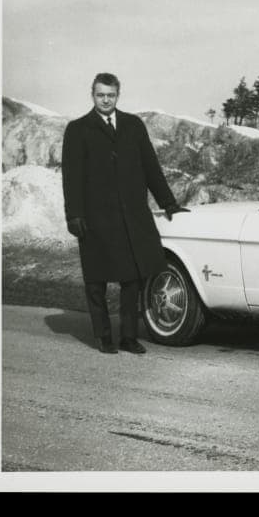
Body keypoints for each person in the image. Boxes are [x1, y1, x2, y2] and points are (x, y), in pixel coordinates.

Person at [61, 73, 189, 354]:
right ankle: (103, 337)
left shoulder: (133, 125)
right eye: (100, 95)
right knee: (97, 281)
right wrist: (74, 215)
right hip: (95, 220)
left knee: (132, 279)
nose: (105, 100)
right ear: (92, 95)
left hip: (132, 218)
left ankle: (129, 337)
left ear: (118, 95)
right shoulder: (78, 129)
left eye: (111, 95)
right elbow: (71, 177)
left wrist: (169, 203)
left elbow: (151, 167)